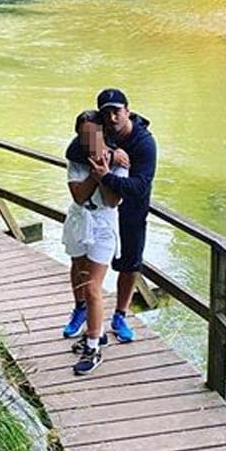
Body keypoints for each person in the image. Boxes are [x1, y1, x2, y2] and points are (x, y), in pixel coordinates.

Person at [63, 88, 156, 343]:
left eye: (117, 111)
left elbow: (140, 186)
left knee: (130, 262)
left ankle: (120, 315)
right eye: (107, 113)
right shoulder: (96, 132)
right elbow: (75, 150)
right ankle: (81, 309)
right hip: (100, 209)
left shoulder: (144, 143)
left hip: (132, 207)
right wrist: (112, 155)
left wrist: (106, 176)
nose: (112, 117)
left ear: (128, 111)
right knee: (81, 262)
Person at [61, 110, 129, 375]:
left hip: (103, 224)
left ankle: (93, 347)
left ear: (102, 132)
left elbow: (113, 200)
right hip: (80, 218)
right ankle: (93, 328)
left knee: (93, 287)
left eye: (93, 133)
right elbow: (78, 195)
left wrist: (105, 173)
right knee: (78, 271)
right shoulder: (76, 156)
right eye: (83, 134)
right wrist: (96, 173)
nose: (88, 140)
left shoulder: (120, 159)